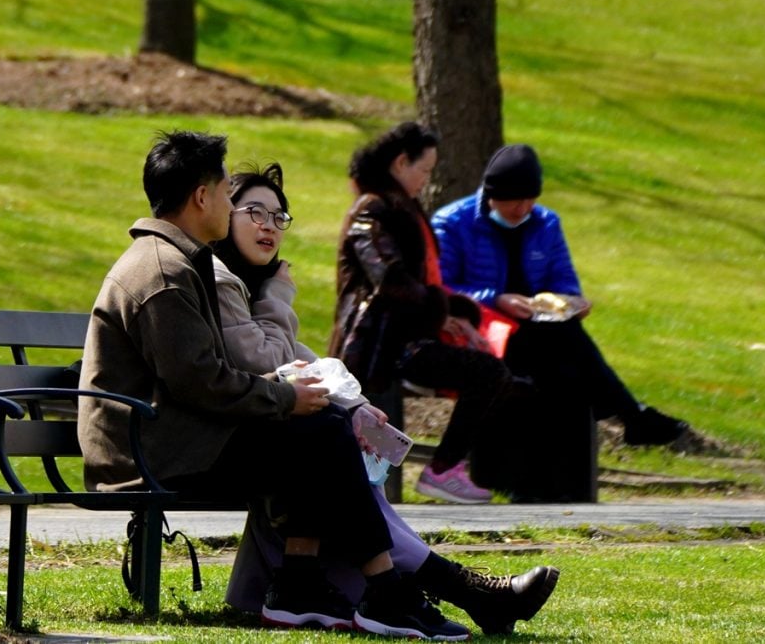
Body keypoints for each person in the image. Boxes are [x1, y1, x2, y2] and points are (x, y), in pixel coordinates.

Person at [82, 130, 462, 637]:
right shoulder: (163, 272)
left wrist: (296, 398)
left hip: (170, 436)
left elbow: (206, 377)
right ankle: (382, 589)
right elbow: (203, 382)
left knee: (319, 427)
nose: (227, 202)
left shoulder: (174, 261)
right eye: (224, 192)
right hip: (151, 453)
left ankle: (305, 583)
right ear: (201, 197)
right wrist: (284, 398)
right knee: (316, 431)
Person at [213, 163, 560, 636]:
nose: (268, 226)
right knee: (327, 447)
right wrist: (278, 295)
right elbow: (266, 359)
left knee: (337, 443)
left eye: (278, 217)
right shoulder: (221, 282)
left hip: (270, 434)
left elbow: (299, 360)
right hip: (228, 443)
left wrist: (356, 406)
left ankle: (322, 587)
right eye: (254, 211)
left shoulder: (253, 286)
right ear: (218, 213)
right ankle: (464, 591)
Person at [433, 143, 690, 463]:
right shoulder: (452, 223)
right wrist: (496, 299)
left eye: (530, 200)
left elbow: (563, 278)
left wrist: (570, 301)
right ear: (492, 195)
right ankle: (631, 415)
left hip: (537, 329)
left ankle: (621, 425)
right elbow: (442, 288)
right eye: (515, 200)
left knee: (566, 345)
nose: (523, 208)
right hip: (483, 330)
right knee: (567, 347)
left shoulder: (546, 223)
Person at [333, 121, 512, 505]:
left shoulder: (404, 209)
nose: (426, 180)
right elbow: (390, 278)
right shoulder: (372, 209)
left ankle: (441, 469)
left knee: (497, 370)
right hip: (381, 346)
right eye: (425, 170)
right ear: (401, 163)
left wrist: (455, 313)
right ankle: (442, 470)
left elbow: (422, 282)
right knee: (487, 371)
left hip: (409, 337)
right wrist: (440, 309)